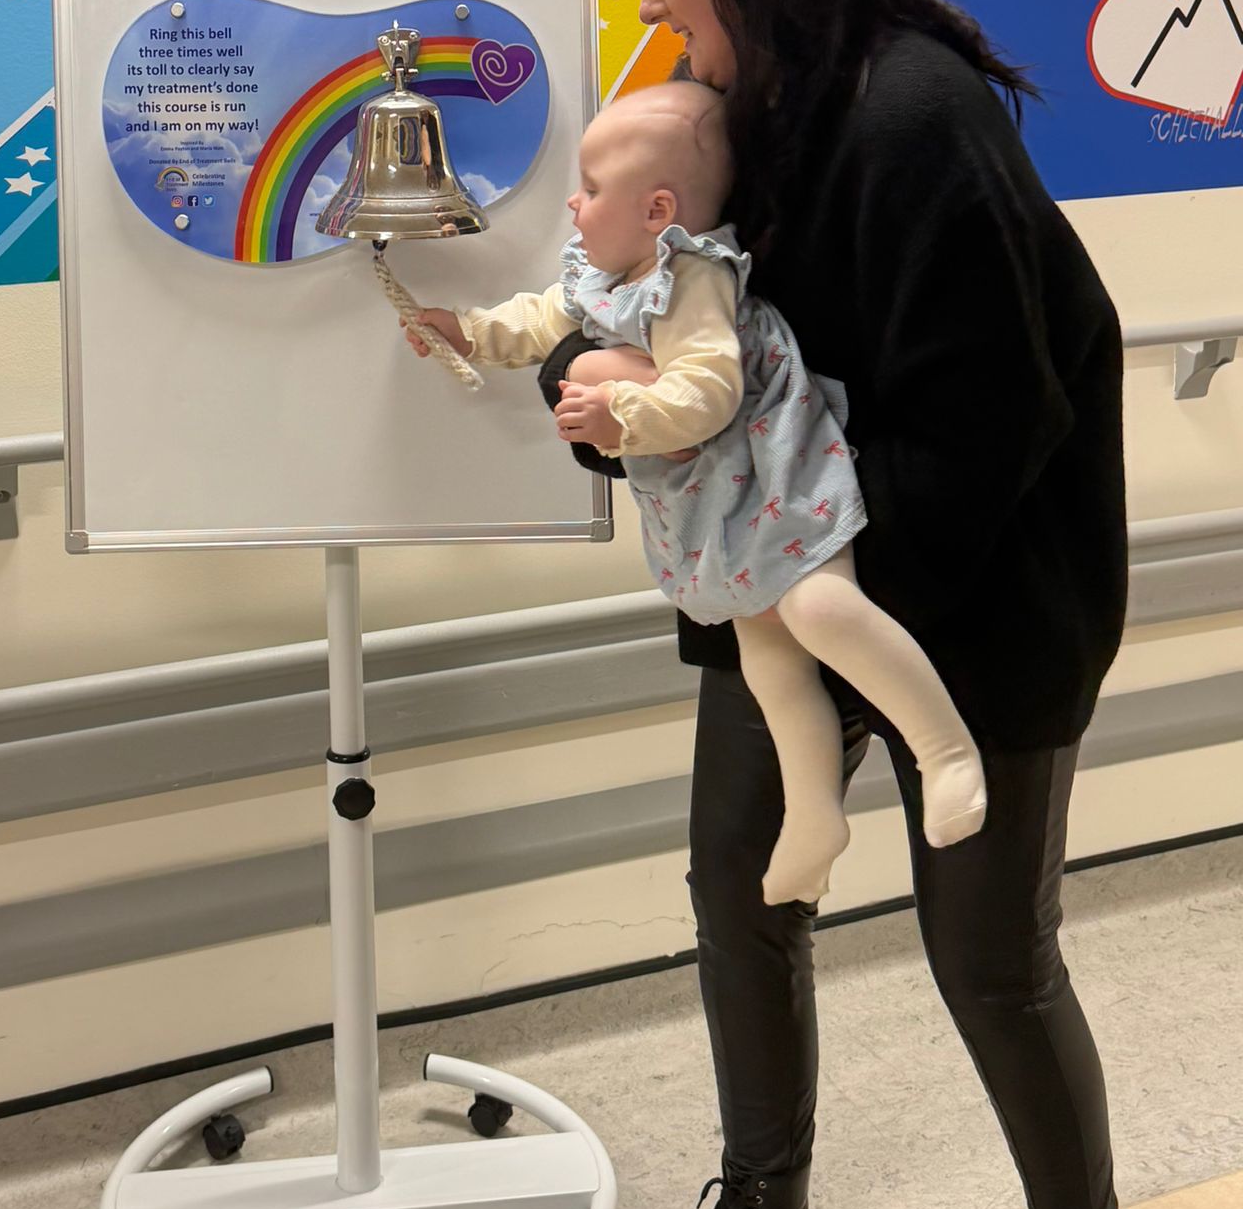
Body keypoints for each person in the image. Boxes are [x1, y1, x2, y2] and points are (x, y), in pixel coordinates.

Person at [537, 0, 1138, 1209]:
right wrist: (610, 405)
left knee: (992, 963)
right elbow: (683, 331)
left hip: (978, 598)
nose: (655, 6)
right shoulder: (730, 115)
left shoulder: (918, 117)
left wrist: (833, 602)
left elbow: (1000, 415)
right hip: (789, 580)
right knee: (739, 900)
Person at [407, 79, 987, 907]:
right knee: (767, 654)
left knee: (821, 612)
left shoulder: (691, 280)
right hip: (722, 502)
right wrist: (469, 330)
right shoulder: (606, 271)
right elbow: (545, 317)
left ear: (658, 211)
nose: (573, 204)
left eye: (594, 189)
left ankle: (945, 750)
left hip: (775, 477)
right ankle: (814, 814)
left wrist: (621, 408)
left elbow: (710, 391)